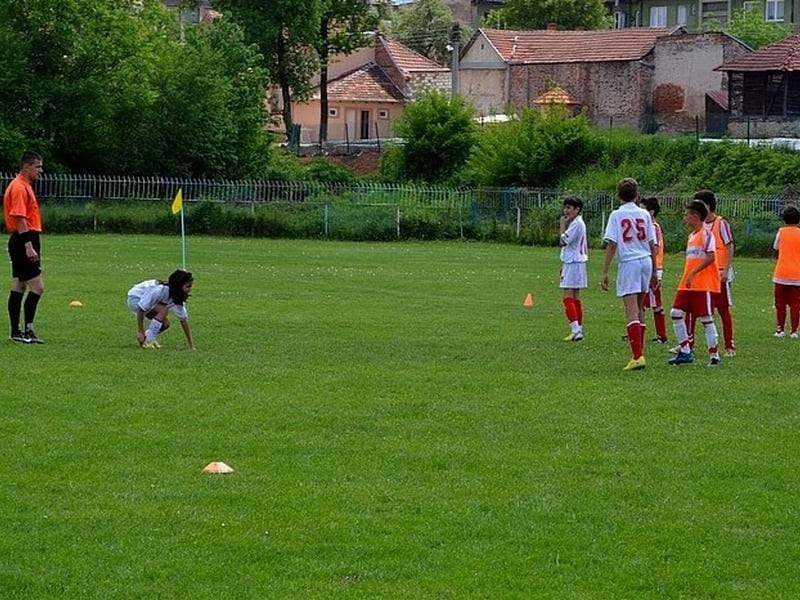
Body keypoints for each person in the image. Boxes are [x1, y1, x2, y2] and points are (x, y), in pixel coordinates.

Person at [601, 178, 658, 371]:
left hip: (630, 262)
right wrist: (655, 271)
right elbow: (652, 243)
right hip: (646, 261)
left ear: (618, 195)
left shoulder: (616, 215)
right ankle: (640, 352)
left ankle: (637, 356)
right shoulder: (644, 214)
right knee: (641, 307)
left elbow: (612, 244)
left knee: (631, 308)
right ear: (637, 195)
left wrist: (605, 271)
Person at [668, 200, 721, 367]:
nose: (685, 218)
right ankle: (685, 351)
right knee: (675, 313)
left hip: (701, 284)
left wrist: (693, 273)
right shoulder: (691, 236)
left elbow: (711, 256)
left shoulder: (707, 235)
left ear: (696, 216)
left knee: (706, 318)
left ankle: (714, 355)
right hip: (687, 284)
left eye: (687, 215)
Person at [4, 150, 45, 344]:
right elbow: (19, 217)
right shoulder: (19, 187)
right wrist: (29, 245)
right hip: (23, 239)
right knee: (37, 287)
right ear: (26, 166)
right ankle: (27, 330)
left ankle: (15, 332)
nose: (40, 170)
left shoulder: (24, 185)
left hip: (23, 238)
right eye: (37, 166)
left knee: (19, 285)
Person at [697, 190, 736, 356]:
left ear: (707, 205)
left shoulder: (721, 223)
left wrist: (726, 270)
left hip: (719, 274)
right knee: (701, 310)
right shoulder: (698, 225)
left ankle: (729, 345)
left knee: (723, 310)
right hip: (703, 274)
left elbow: (729, 246)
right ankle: (689, 345)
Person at [127, 269, 195, 350]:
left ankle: (147, 337)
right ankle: (149, 341)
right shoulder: (159, 291)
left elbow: (183, 320)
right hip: (135, 298)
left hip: (146, 303)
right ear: (178, 286)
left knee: (165, 324)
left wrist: (191, 345)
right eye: (188, 286)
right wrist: (140, 331)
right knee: (163, 310)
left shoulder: (176, 297)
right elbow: (141, 309)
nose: (190, 289)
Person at [559, 196, 588, 341]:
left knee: (567, 296)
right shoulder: (578, 223)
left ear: (577, 209)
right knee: (576, 297)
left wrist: (562, 225)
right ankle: (579, 329)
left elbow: (563, 241)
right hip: (578, 262)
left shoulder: (576, 224)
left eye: (569, 208)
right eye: (566, 207)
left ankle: (575, 329)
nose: (566, 211)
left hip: (573, 262)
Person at [641, 196, 668, 343]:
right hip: (648, 267)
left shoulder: (653, 227)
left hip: (653, 268)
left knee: (655, 302)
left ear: (651, 211)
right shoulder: (647, 226)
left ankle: (661, 335)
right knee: (642, 301)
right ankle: (639, 329)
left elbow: (655, 248)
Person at [772, 206, 800, 339]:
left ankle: (780, 329)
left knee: (780, 303)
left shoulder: (781, 232)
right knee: (796, 303)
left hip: (781, 273)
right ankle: (794, 331)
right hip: (797, 274)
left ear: (784, 219)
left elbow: (776, 247)